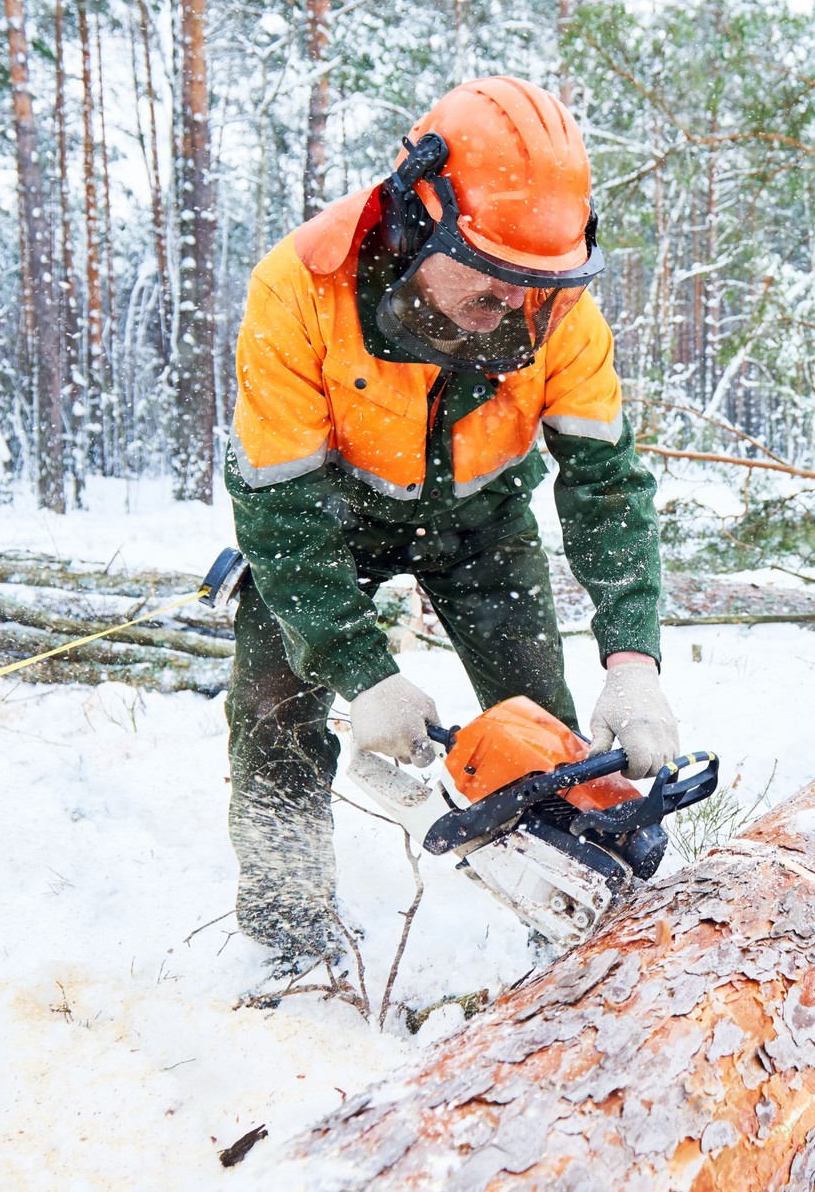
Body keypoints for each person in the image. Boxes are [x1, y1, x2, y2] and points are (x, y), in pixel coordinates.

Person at [223, 76, 677, 962]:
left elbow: (608, 484)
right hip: (331, 521)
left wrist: (634, 659)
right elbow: (277, 515)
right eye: (495, 281)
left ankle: (584, 929)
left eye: (538, 288)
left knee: (540, 729)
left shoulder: (560, 317)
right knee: (273, 698)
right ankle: (287, 925)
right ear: (418, 215)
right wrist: (361, 669)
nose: (516, 310)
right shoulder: (299, 289)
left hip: (480, 524)